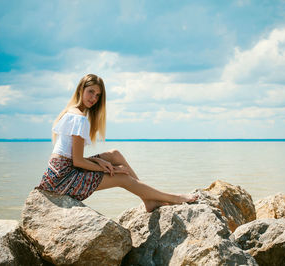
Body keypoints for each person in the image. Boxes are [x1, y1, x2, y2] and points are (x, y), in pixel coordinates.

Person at [37, 73, 198, 212]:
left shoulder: (71, 112)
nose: (93, 98)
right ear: (81, 89)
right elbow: (77, 161)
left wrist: (99, 161)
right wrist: (112, 169)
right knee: (123, 178)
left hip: (58, 172)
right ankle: (174, 198)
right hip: (62, 178)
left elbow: (72, 158)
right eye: (91, 92)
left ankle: (148, 199)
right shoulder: (79, 118)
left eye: (98, 95)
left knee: (114, 154)